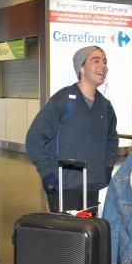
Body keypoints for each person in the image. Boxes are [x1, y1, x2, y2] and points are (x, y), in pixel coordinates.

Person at [25, 46, 118, 212]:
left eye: (104, 62)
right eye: (96, 60)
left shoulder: (105, 106)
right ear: (81, 68)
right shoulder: (64, 100)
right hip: (63, 185)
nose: (103, 66)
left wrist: (107, 166)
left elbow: (112, 139)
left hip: (92, 185)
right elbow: (34, 138)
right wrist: (46, 173)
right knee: (67, 236)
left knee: (87, 235)